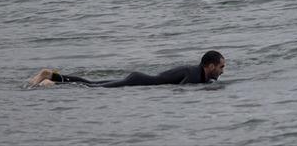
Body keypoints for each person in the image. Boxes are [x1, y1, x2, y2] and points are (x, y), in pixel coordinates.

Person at [26, 51, 225, 88]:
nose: (223, 71)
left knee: (95, 84)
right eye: (221, 67)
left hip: (139, 80)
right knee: (94, 87)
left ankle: (52, 76)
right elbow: (179, 90)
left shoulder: (198, 74)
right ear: (210, 66)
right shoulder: (193, 75)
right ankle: (51, 78)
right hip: (137, 81)